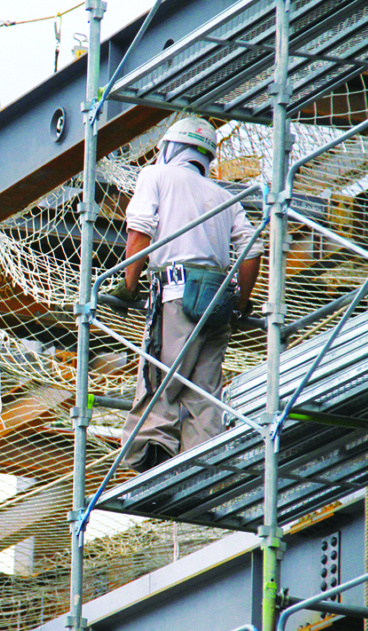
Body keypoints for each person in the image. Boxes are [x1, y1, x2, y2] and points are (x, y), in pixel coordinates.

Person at [108, 118, 263, 472]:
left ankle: (152, 463)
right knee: (204, 397)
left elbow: (139, 231)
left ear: (171, 148)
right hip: (217, 303)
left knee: (160, 383)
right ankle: (204, 469)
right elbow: (252, 250)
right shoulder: (225, 196)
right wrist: (240, 305)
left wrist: (129, 285)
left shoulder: (156, 175)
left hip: (176, 295)